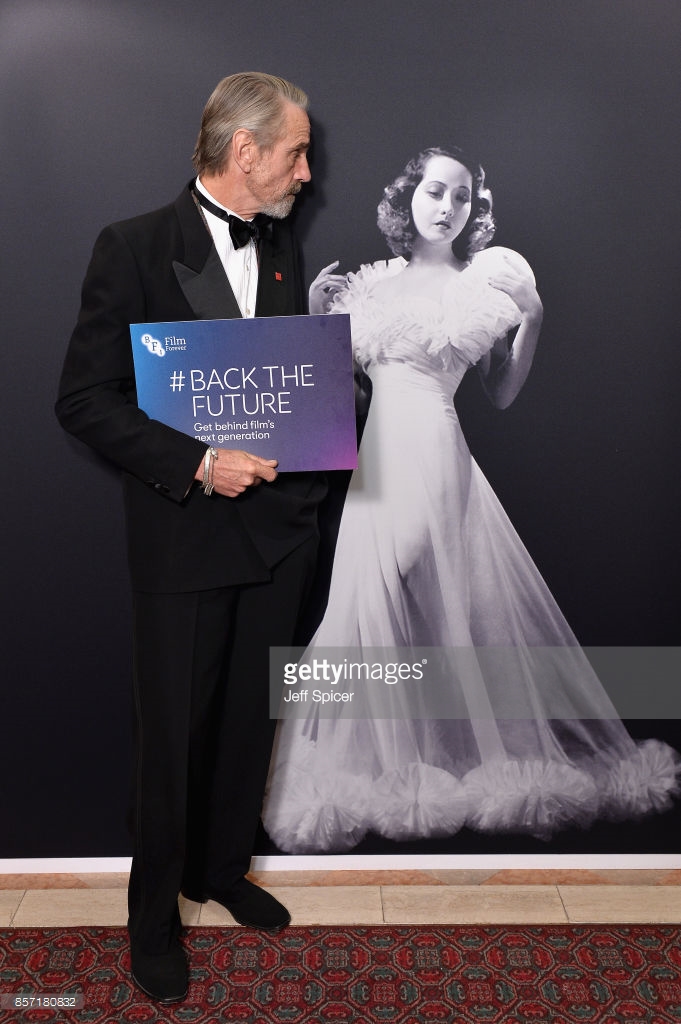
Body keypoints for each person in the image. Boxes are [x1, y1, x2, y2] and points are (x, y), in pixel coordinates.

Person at [263, 146, 680, 854]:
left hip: (434, 452)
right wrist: (313, 319)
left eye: (462, 197)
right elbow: (349, 399)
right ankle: (381, 772)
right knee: (362, 603)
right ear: (408, 197)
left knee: (404, 591)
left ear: (473, 211)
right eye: (435, 191)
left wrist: (533, 319)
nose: (447, 207)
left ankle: (423, 768)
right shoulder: (372, 285)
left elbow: (501, 394)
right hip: (376, 463)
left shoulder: (479, 288)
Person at [56, 72, 326, 1003]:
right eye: (295, 151)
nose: (306, 170)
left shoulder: (282, 245)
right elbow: (84, 400)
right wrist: (201, 463)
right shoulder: (132, 245)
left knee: (250, 721)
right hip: (184, 537)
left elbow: (279, 381)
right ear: (244, 151)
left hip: (279, 538)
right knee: (170, 738)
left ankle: (218, 869)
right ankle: (152, 919)